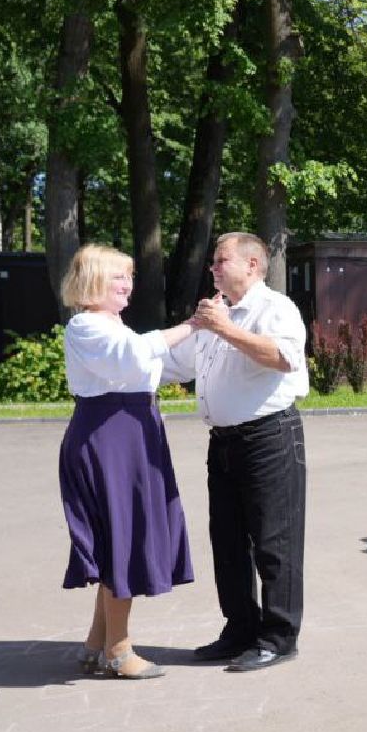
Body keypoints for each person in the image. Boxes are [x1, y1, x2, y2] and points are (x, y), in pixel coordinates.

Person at [161, 232, 309, 672]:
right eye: (212, 261)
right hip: (223, 442)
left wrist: (224, 327)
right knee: (227, 541)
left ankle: (279, 637)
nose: (213, 267)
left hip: (269, 437)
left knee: (273, 541)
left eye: (221, 260)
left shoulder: (274, 308)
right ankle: (240, 629)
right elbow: (176, 365)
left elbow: (285, 357)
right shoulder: (214, 313)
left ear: (252, 265)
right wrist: (123, 366)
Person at [57, 245, 197, 680]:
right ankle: (119, 651)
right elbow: (136, 356)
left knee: (120, 537)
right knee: (123, 540)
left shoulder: (112, 326)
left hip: (131, 436)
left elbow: (158, 365)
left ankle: (97, 641)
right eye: (119, 277)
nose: (128, 286)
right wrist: (190, 325)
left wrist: (208, 334)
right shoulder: (86, 325)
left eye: (130, 278)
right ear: (94, 281)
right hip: (110, 440)